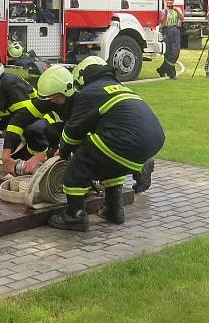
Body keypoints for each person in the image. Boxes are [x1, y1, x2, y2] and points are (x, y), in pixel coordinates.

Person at [48, 60, 165, 232]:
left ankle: (74, 216)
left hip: (127, 139)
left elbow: (74, 130)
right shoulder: (118, 87)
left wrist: (63, 151)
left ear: (82, 77)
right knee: (109, 163)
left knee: (81, 160)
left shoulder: (90, 92)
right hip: (154, 140)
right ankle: (113, 209)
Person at [0, 69, 50, 173]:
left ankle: (44, 156)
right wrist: (7, 136)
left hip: (42, 119)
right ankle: (29, 157)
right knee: (14, 162)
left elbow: (22, 119)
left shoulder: (12, 86)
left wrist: (6, 152)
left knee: (31, 130)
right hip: (21, 123)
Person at [158, 0, 184, 79]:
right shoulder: (162, 10)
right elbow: (163, 23)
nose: (170, 2)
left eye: (171, 0)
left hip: (175, 30)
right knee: (168, 51)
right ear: (165, 1)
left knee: (175, 52)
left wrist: (177, 11)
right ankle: (171, 73)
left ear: (173, 1)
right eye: (168, 0)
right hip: (166, 30)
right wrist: (165, 14)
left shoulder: (177, 9)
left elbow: (182, 19)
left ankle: (162, 69)